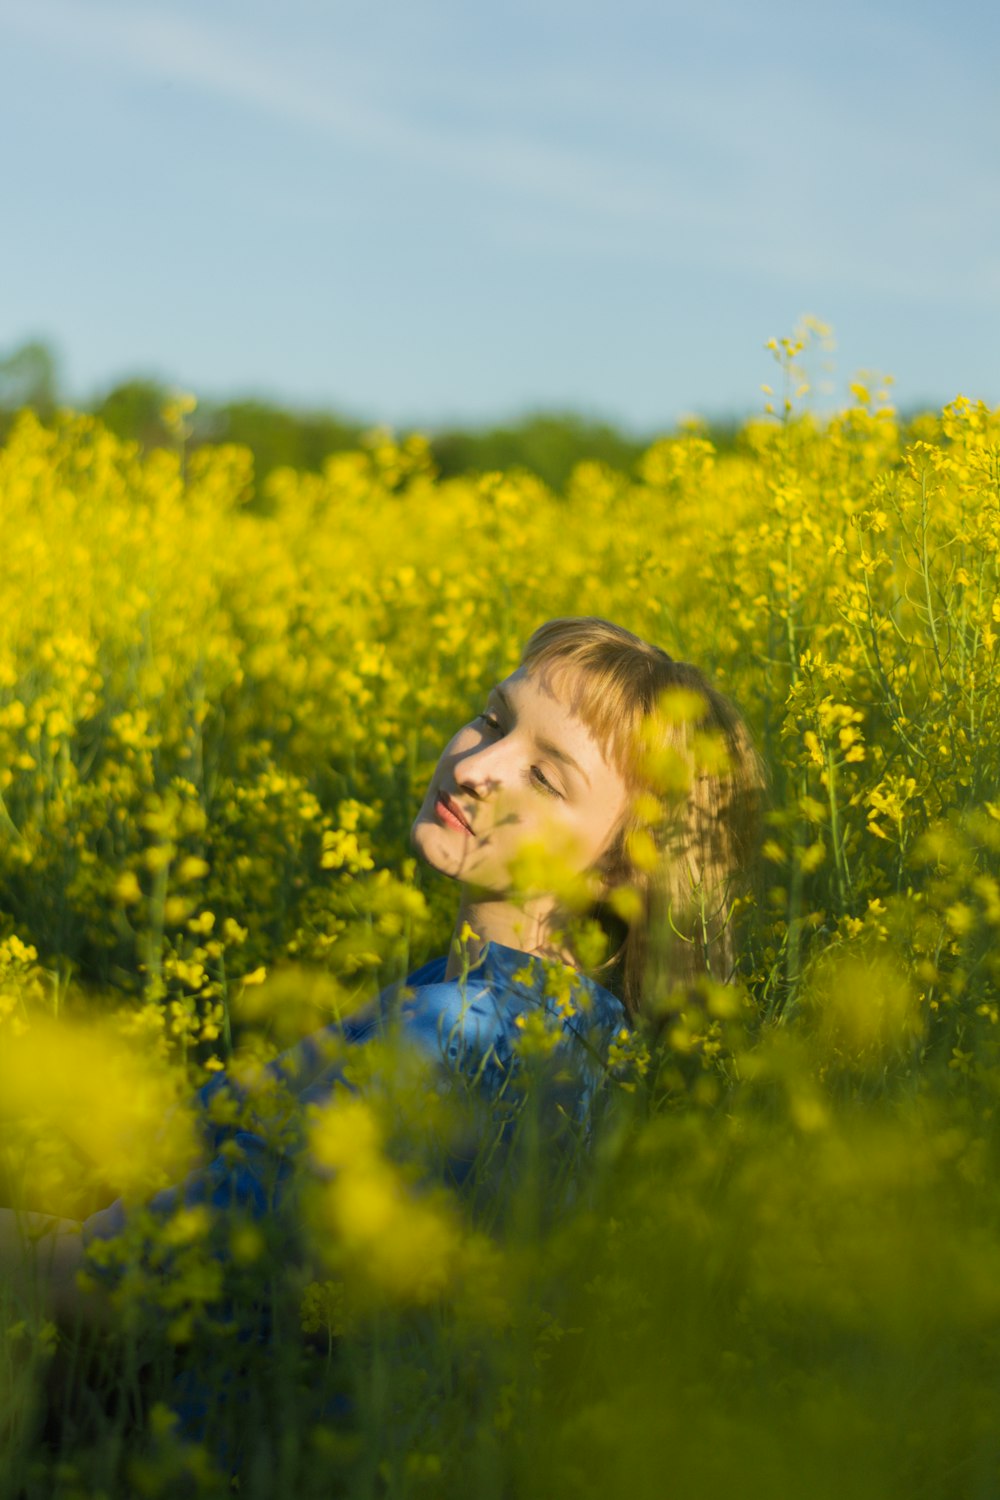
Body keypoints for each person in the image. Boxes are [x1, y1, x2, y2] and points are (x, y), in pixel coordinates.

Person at [0, 616, 763, 1329]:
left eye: (545, 777)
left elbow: (114, 1274)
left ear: (622, 871)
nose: (475, 766)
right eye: (494, 722)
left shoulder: (462, 1039)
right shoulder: (561, 1031)